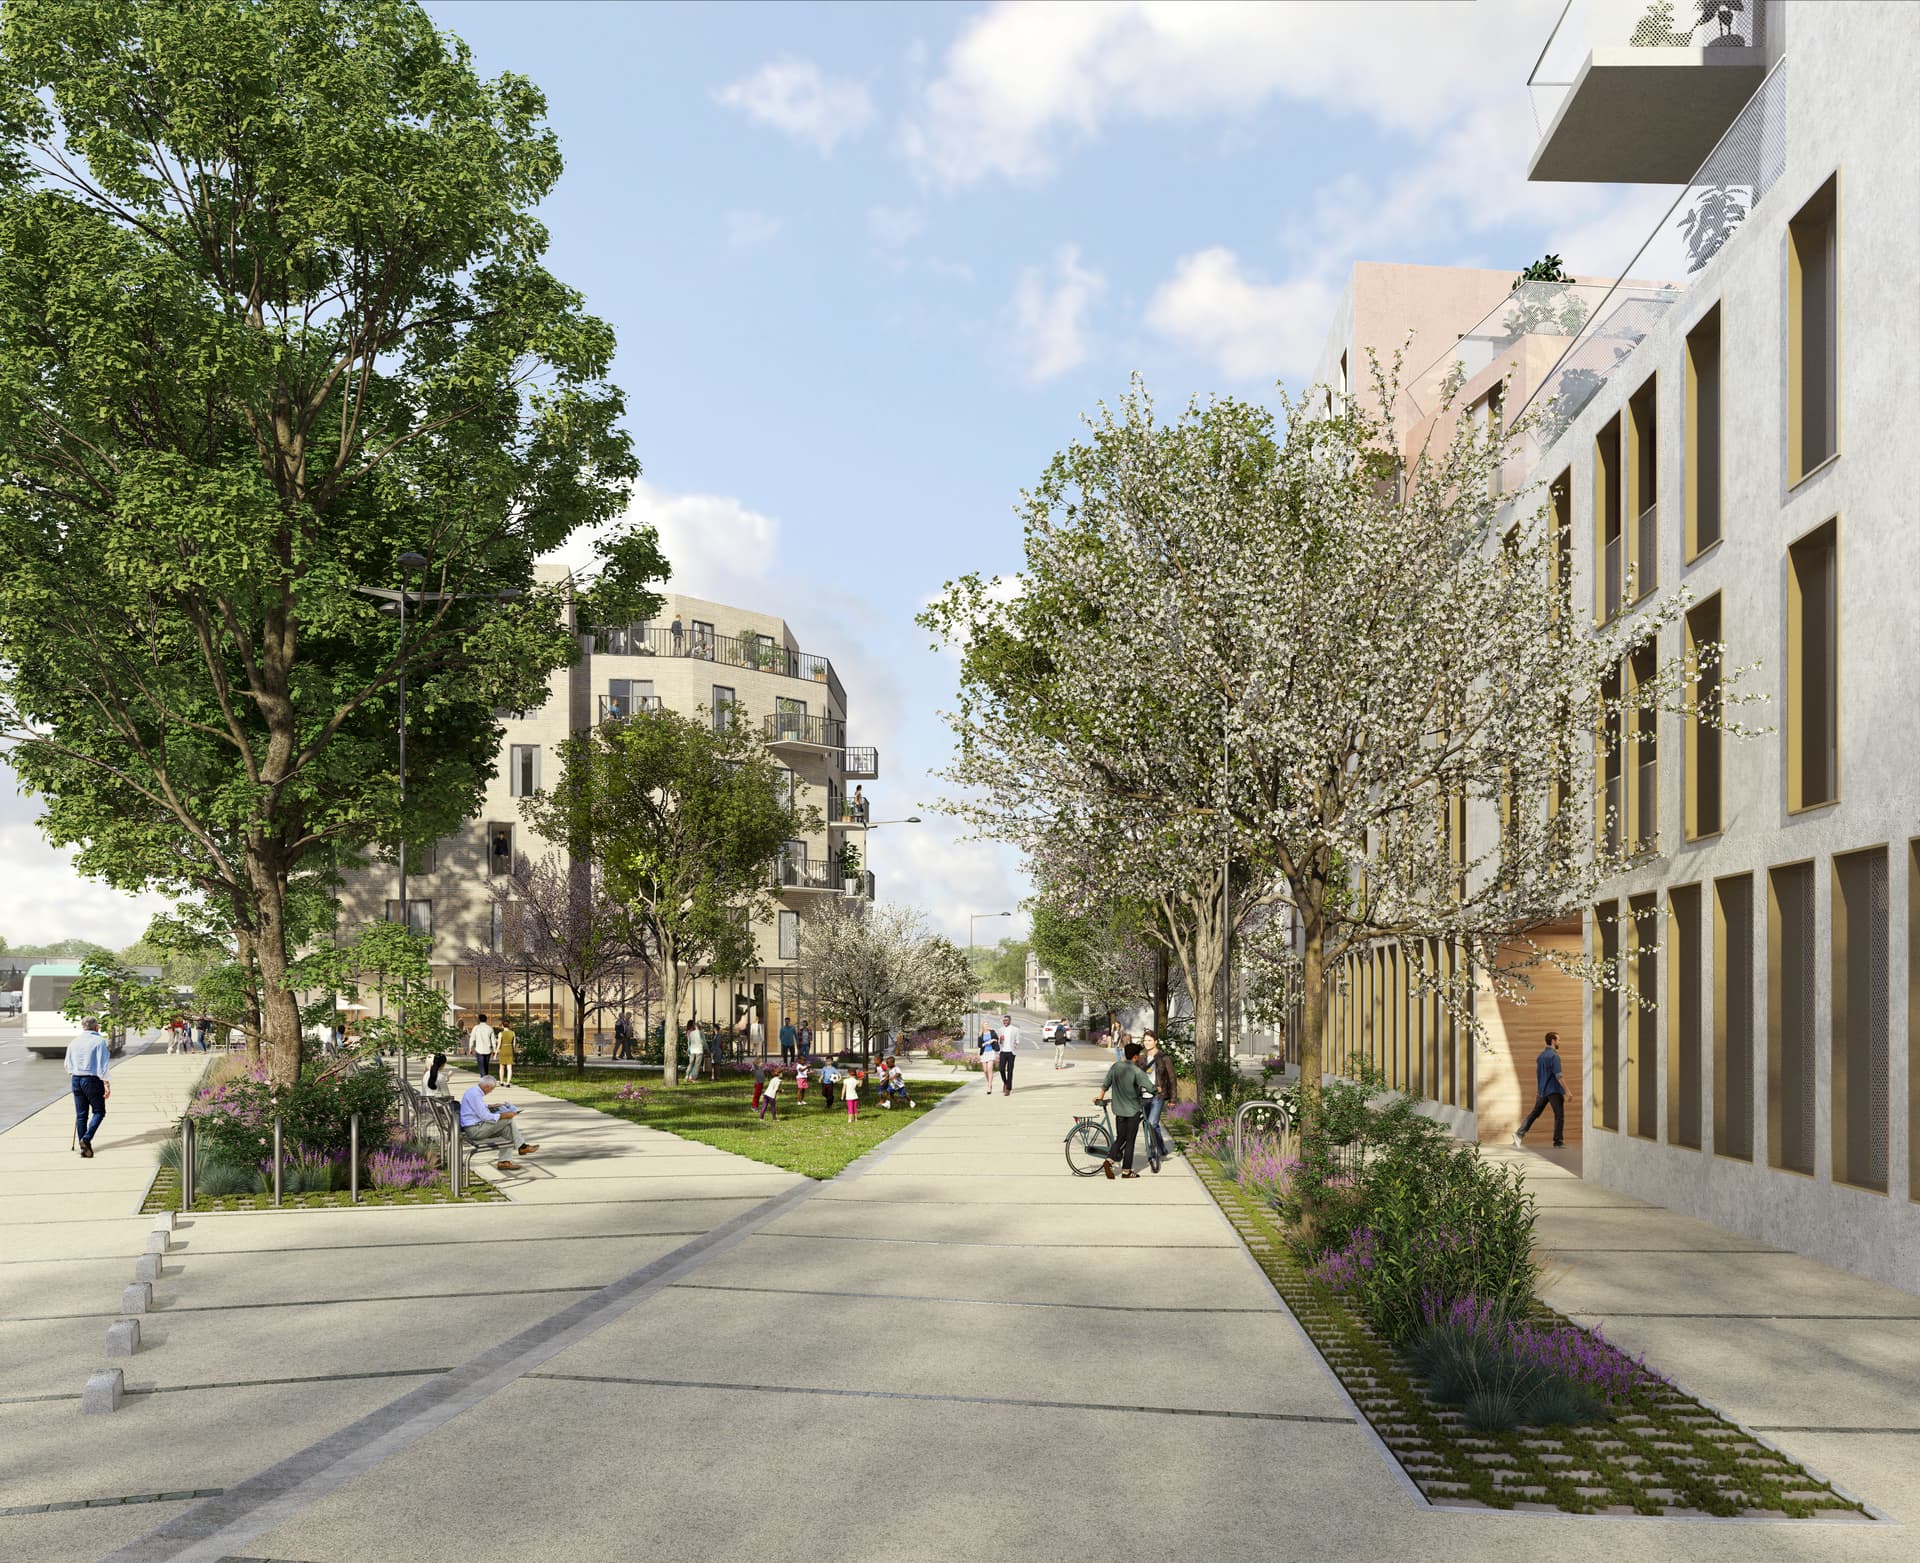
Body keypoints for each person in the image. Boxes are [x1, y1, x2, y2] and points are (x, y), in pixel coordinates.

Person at [1095, 1042, 1153, 1180]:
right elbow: (1149, 1087)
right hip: (1132, 1110)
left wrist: (1100, 1097)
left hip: (1118, 1110)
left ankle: (1109, 1161)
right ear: (1134, 1056)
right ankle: (1126, 1171)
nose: (1139, 1057)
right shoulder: (1136, 1070)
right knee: (1130, 1141)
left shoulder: (1115, 1067)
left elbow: (1106, 1083)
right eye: (1138, 1055)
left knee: (1120, 1137)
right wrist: (1158, 1090)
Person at [458, 1077, 537, 1171]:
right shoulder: (475, 1095)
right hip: (475, 1130)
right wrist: (504, 1115)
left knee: (507, 1129)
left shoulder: (474, 1091)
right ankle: (522, 1146)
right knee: (509, 1120)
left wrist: (489, 1106)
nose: (491, 1091)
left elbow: (476, 1108)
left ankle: (504, 1162)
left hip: (476, 1127)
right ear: (487, 1087)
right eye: (492, 1088)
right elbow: (485, 1116)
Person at [65, 1017, 112, 1158]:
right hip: (91, 1079)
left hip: (76, 1078)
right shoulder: (99, 1041)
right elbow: (103, 1065)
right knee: (99, 1111)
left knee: (81, 1115)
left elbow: (67, 1065)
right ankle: (86, 1138)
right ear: (96, 1027)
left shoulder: (74, 1042)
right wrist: (106, 1083)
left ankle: (85, 1149)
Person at [1514, 1031, 1568, 1149]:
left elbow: (1539, 1075)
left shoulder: (1540, 1056)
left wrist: (1539, 1090)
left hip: (1543, 1091)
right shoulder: (1554, 1056)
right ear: (1553, 1041)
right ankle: (1558, 1141)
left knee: (1535, 1113)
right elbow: (1559, 1075)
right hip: (1554, 1090)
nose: (1559, 1042)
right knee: (1559, 1116)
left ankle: (1519, 1133)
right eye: (1558, 1040)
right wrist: (1567, 1091)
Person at [1141, 1031, 1176, 1173]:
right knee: (1149, 1124)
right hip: (1143, 1096)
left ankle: (1153, 1150)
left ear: (1155, 1041)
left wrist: (1173, 1098)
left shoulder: (1164, 1058)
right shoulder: (1141, 1058)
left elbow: (1172, 1078)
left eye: (1149, 1040)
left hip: (1158, 1096)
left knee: (1152, 1122)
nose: (1147, 1043)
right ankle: (1160, 1148)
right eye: (1145, 1040)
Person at [998, 1013, 1021, 1095]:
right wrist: (1000, 1040)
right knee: (1001, 1069)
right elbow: (999, 1042)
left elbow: (1017, 1040)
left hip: (1011, 1052)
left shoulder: (1015, 1030)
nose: (1005, 1022)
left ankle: (1008, 1089)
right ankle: (1006, 1082)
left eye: (1006, 1020)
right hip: (1003, 1051)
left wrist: (1016, 1044)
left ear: (1010, 1021)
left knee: (1010, 1071)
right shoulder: (1000, 1030)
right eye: (1004, 1020)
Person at [495, 1019, 517, 1085]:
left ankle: (501, 1081)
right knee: (509, 1067)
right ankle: (508, 1082)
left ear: (502, 1026)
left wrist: (496, 1053)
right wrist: (514, 1051)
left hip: (503, 1049)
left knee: (501, 1066)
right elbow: (514, 1044)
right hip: (510, 1049)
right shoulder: (513, 1033)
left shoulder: (500, 1033)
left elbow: (499, 1044)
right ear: (509, 1025)